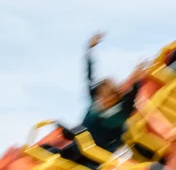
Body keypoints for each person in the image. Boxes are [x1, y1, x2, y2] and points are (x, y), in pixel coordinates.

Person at [54, 32, 143, 163]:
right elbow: (89, 76)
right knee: (50, 151)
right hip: (77, 148)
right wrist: (90, 50)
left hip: (96, 157)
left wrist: (137, 80)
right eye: (101, 96)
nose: (104, 99)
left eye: (108, 96)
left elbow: (131, 97)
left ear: (115, 97)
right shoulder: (95, 105)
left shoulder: (122, 111)